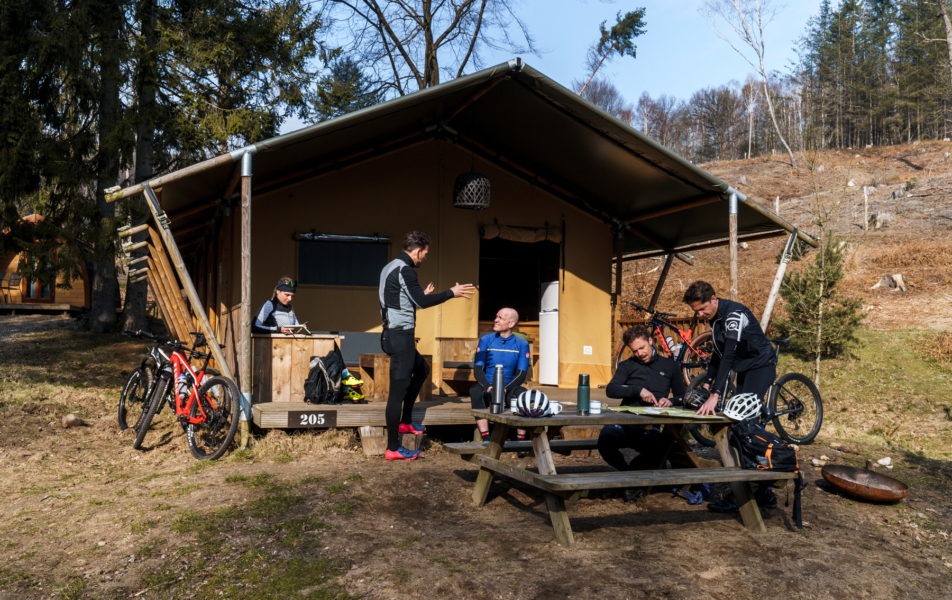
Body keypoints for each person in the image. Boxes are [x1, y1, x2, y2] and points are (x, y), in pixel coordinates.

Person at [682, 280, 778, 512]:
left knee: (744, 427)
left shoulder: (734, 315)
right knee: (742, 426)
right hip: (746, 368)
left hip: (760, 366)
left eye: (703, 309)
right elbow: (717, 355)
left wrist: (716, 393)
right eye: (696, 311)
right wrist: (707, 384)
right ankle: (761, 490)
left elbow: (729, 354)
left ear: (714, 299)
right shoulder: (715, 320)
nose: (701, 314)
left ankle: (756, 491)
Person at [379, 231, 475, 461]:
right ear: (418, 250)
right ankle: (393, 447)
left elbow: (404, 299)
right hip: (399, 336)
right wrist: (451, 293)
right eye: (426, 254)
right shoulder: (406, 269)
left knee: (422, 369)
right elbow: (421, 302)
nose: (425, 258)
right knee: (396, 394)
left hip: (395, 334)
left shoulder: (391, 266)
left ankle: (405, 422)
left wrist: (420, 295)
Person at [600, 326, 685, 502]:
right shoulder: (627, 365)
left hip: (649, 425)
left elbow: (682, 396)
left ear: (650, 342)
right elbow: (611, 389)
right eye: (635, 350)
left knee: (662, 448)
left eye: (642, 348)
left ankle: (629, 479)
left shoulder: (670, 366)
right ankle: (628, 478)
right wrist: (637, 390)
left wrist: (672, 401)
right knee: (604, 442)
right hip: (624, 422)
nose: (639, 353)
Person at [471, 308, 530, 442]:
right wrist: (489, 388)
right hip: (489, 390)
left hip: (508, 390)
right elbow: (478, 369)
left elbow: (522, 373)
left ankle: (521, 442)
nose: (495, 320)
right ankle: (486, 439)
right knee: (475, 390)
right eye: (496, 317)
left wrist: (504, 389)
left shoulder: (521, 344)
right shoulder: (486, 340)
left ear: (511, 324)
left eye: (500, 318)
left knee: (523, 393)